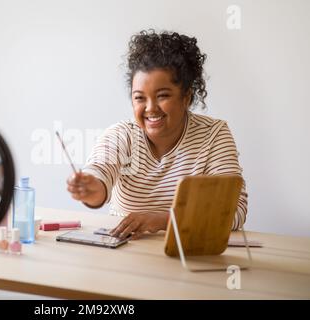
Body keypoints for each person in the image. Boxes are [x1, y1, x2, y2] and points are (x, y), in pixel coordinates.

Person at [66, 30, 248, 240]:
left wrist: (163, 220)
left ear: (186, 97)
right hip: (128, 253)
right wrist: (90, 187)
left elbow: (235, 211)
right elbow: (99, 172)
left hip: (190, 254)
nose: (150, 108)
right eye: (139, 98)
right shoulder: (121, 135)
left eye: (163, 96)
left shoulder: (214, 135)